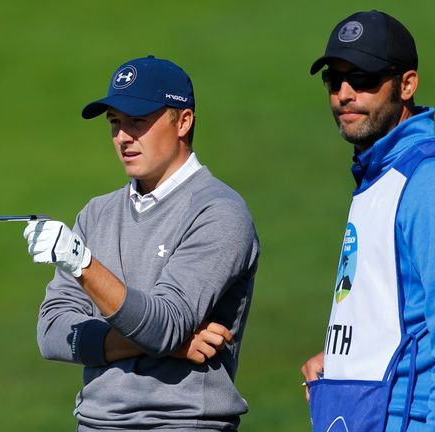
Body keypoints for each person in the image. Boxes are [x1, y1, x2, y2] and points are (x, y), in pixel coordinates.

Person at [23, 55, 260, 431]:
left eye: (138, 121)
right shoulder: (97, 214)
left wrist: (81, 263)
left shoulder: (219, 213)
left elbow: (164, 323)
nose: (122, 136)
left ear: (183, 121)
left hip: (182, 423)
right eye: (115, 123)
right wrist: (170, 344)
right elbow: (53, 333)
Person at [300, 11, 435, 431]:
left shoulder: (433, 185)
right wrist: (341, 362)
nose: (344, 95)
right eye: (334, 80)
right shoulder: (380, 173)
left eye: (364, 79)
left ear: (407, 84)